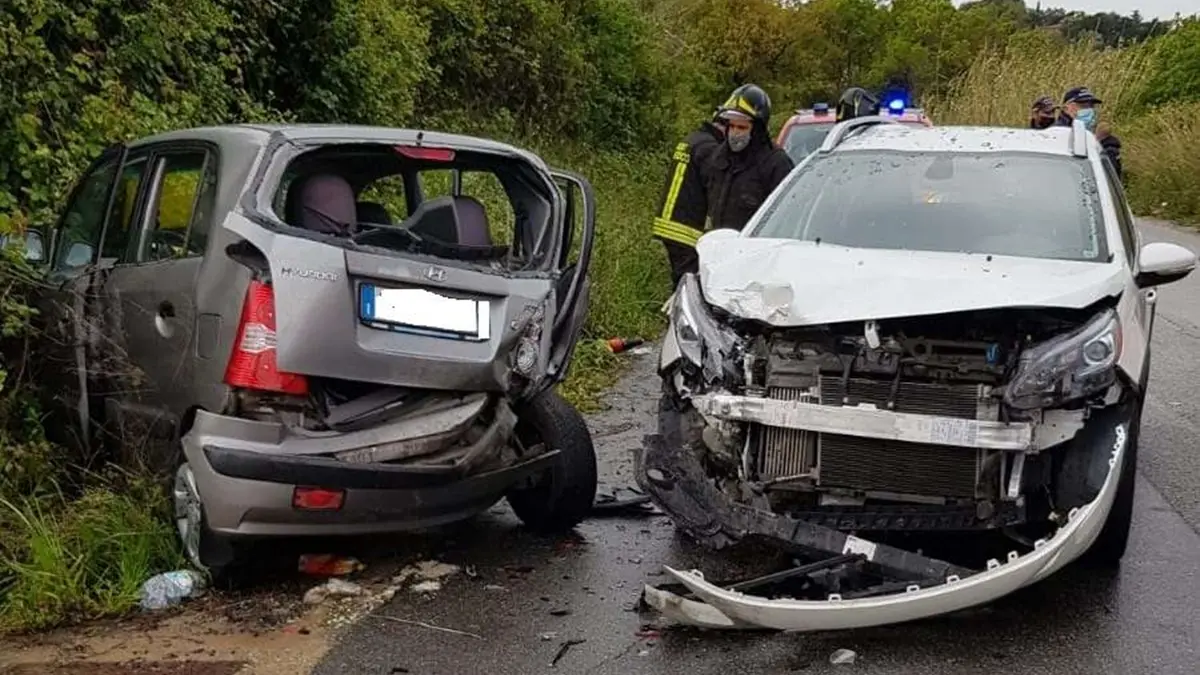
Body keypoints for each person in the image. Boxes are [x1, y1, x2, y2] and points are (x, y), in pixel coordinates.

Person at [701, 84, 796, 232]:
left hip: (756, 244)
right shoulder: (719, 157)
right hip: (720, 242)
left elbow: (787, 217)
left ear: (757, 130)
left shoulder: (776, 164)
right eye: (731, 126)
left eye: (742, 127)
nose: (735, 133)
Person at [651, 107, 727, 286]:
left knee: (681, 275)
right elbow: (714, 186)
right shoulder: (709, 147)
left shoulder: (692, 140)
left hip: (669, 222)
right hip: (684, 228)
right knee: (689, 282)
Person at [1056, 86, 1123, 179]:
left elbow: (1108, 178)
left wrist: (1105, 148)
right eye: (1083, 106)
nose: (1089, 110)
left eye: (1091, 106)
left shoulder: (1102, 140)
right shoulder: (1056, 135)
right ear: (1066, 109)